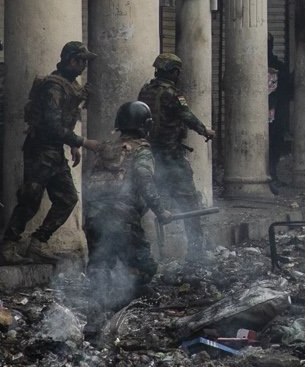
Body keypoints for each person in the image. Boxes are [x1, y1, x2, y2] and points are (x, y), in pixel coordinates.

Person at [0, 41, 95, 263]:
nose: (82, 67)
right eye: (80, 61)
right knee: (29, 201)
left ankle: (39, 242)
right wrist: (81, 141)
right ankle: (8, 245)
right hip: (40, 151)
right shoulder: (54, 86)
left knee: (68, 198)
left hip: (53, 152)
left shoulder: (68, 85)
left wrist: (72, 144)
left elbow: (66, 118)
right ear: (71, 60)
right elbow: (52, 125)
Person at [82, 100, 167, 299]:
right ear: (145, 125)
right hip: (123, 218)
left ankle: (98, 305)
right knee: (145, 266)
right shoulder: (141, 150)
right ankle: (132, 296)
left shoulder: (106, 148)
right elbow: (144, 179)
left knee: (100, 263)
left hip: (94, 214)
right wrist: (161, 210)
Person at [137, 54, 214, 256]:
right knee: (189, 202)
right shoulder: (172, 93)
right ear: (174, 72)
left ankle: (134, 250)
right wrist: (204, 130)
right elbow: (186, 115)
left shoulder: (145, 91)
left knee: (144, 200)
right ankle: (196, 253)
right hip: (171, 157)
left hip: (149, 155)